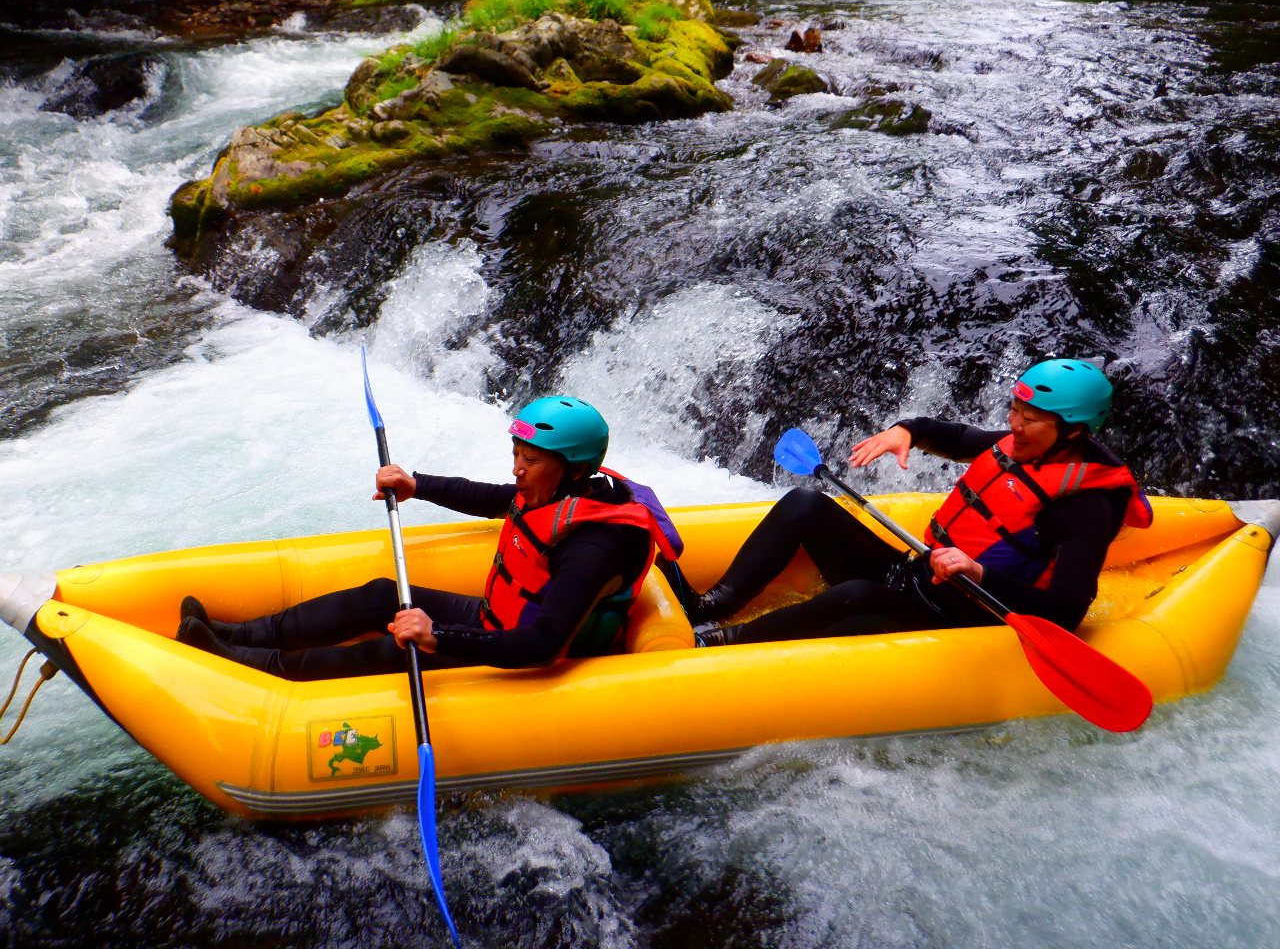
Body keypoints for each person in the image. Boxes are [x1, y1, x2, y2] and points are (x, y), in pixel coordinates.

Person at [176, 396, 683, 680]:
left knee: (399, 647)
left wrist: (437, 635)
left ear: (572, 467)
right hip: (497, 619)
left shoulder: (595, 545)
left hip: (526, 650)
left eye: (530, 460)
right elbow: (495, 497)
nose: (517, 469)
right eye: (516, 455)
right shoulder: (556, 490)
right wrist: (416, 484)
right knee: (382, 595)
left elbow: (544, 645)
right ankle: (236, 634)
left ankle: (253, 665)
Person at [690, 359, 1153, 646]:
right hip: (918, 574)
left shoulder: (1086, 506)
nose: (1014, 425)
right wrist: (907, 431)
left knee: (858, 596)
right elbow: (957, 437)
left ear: (1073, 431)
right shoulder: (1026, 443)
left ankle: (720, 644)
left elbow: (1065, 612)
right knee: (805, 504)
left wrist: (978, 572)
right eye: (1014, 411)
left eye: (1029, 419)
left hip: (966, 614)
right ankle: (711, 606)